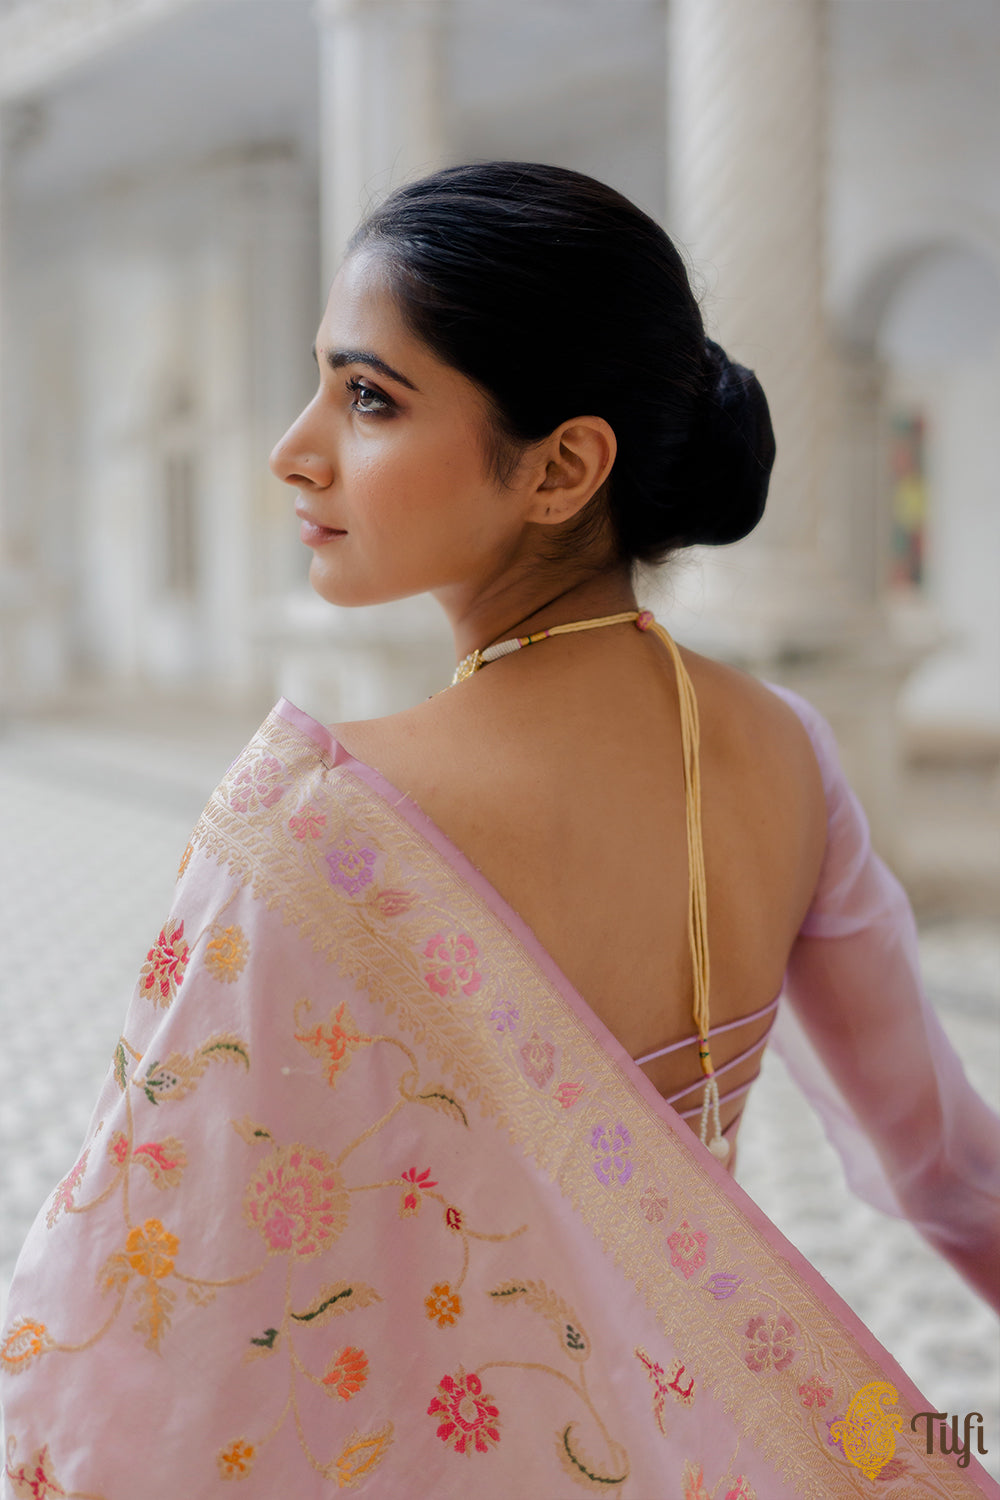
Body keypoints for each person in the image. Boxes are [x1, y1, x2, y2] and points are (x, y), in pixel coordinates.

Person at [2, 162, 997, 1499]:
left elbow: (147, 1303)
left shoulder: (317, 823)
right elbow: (950, 1167)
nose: (295, 447)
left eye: (369, 398)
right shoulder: (787, 751)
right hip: (701, 1444)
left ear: (563, 467)